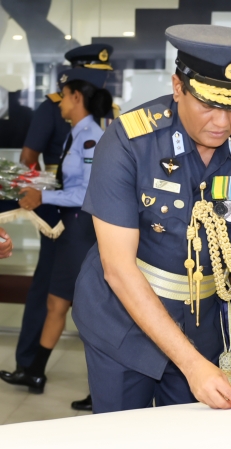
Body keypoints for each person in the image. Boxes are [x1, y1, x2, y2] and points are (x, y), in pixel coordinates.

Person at [71, 24, 231, 413]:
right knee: (124, 434)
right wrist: (191, 365)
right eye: (209, 105)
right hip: (123, 322)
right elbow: (118, 268)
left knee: (194, 435)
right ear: (177, 87)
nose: (223, 122)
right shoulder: (129, 141)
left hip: (205, 324)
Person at [0, 44, 114, 412]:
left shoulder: (90, 136)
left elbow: (86, 191)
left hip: (81, 229)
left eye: (64, 95)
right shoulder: (77, 133)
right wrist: (37, 188)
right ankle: (34, 371)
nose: (59, 101)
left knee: (87, 309)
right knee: (56, 301)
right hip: (69, 228)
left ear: (77, 97)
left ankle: (104, 388)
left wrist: (43, 196)